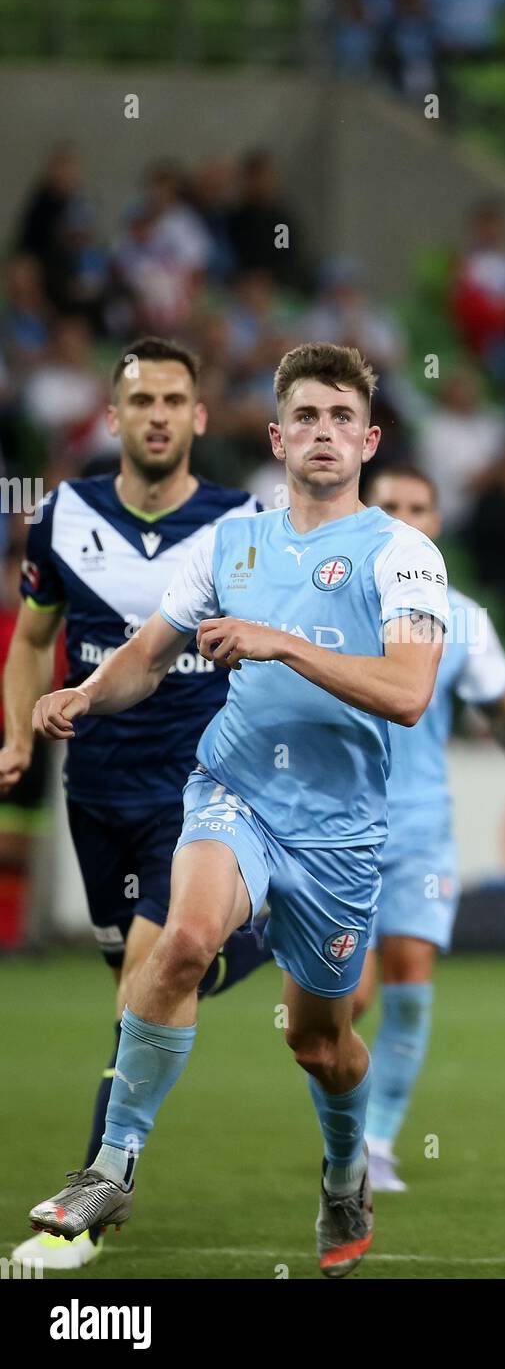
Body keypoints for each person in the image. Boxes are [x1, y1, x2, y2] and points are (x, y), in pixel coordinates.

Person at [25, 342, 450, 1279]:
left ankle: (345, 1167)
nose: (325, 433)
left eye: (343, 418)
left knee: (321, 1043)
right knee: (181, 943)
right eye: (307, 416)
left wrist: (282, 642)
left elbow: (409, 692)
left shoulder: (405, 554)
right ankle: (111, 1167)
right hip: (234, 790)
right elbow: (147, 650)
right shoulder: (231, 542)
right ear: (276, 435)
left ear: (370, 438)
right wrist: (86, 696)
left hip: (339, 830)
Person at [4, 336, 269, 1272]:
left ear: (200, 417)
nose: (157, 414)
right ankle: (253, 941)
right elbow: (33, 641)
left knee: (140, 987)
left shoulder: (244, 522)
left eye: (174, 400)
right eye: (141, 399)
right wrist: (18, 735)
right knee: (144, 980)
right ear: (112, 416)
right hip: (97, 789)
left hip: (203, 788)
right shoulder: (59, 517)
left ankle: (85, 1201)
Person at [353, 465, 505, 1191]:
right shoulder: (333, 601)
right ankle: (345, 1127)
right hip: (333, 831)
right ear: (366, 513)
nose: (406, 516)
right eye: (391, 505)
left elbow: (499, 706)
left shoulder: (463, 617)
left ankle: (372, 1146)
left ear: (437, 521)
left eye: (419, 505)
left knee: (410, 983)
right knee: (347, 999)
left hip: (419, 831)